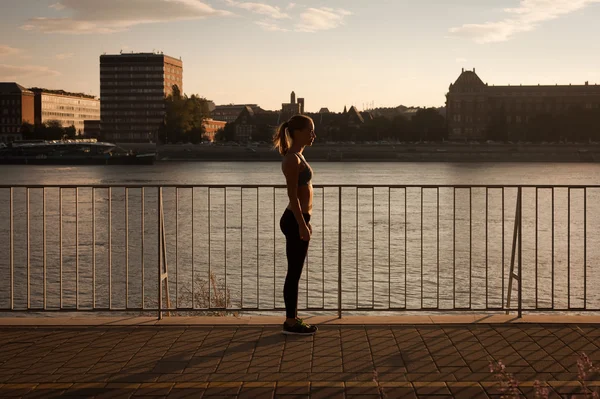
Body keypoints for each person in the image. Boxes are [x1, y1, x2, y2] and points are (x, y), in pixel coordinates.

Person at [273, 114, 318, 335]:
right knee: (294, 272)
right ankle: (291, 322)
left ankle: (293, 318)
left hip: (299, 218)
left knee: (295, 271)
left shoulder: (298, 156)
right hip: (295, 219)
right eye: (310, 130)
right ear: (297, 132)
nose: (313, 135)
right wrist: (302, 224)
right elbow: (292, 195)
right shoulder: (292, 159)